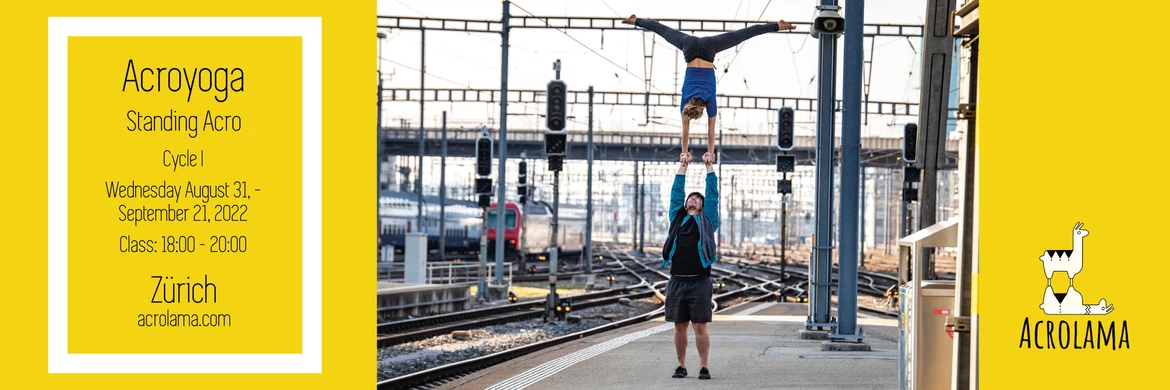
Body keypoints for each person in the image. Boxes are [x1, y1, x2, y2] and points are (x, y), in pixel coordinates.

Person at [623, 15, 795, 161]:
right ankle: (635, 20)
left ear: (702, 108)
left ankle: (778, 26)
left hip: (709, 48)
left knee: (744, 34)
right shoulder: (685, 103)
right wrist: (684, 151)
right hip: (688, 46)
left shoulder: (709, 99)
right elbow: (685, 129)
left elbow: (711, 129)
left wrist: (710, 152)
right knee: (662, 30)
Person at [662, 151, 720, 380]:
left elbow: (713, 195)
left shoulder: (708, 220)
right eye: (691, 198)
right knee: (679, 327)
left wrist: (709, 167)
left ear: (703, 205)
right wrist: (682, 167)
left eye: (697, 198)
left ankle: (704, 366)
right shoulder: (677, 217)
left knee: (700, 327)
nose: (692, 198)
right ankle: (681, 365)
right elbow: (676, 194)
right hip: (676, 280)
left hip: (699, 281)